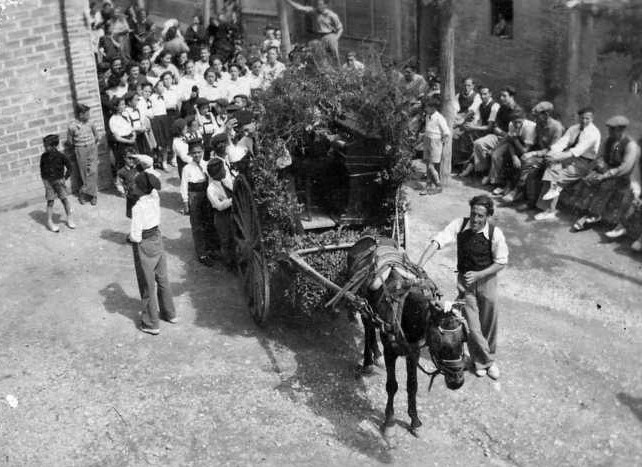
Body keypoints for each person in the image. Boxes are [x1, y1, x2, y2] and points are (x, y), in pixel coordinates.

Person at [418, 195, 508, 379]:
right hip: (466, 284)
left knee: (489, 323)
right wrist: (419, 265)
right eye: (473, 214)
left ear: (488, 216)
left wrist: (479, 274)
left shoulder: (494, 233)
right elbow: (438, 241)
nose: (475, 219)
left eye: (480, 216)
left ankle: (482, 360)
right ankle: (487, 362)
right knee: (473, 328)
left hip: (487, 281)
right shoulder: (459, 225)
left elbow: (501, 262)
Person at [569, 116, 640, 233]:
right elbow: (600, 156)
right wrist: (599, 165)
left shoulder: (630, 145)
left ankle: (594, 216)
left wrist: (605, 175)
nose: (609, 131)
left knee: (605, 185)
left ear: (621, 130)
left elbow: (625, 167)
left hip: (621, 177)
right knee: (588, 179)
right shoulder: (609, 140)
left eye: (613, 129)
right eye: (610, 129)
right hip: (607, 171)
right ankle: (584, 209)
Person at [129, 171, 177, 335]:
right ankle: (169, 313)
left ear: (142, 189)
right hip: (157, 237)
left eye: (136, 184)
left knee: (147, 284)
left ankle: (151, 323)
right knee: (162, 278)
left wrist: (129, 237)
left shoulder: (138, 207)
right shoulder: (155, 197)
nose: (133, 186)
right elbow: (151, 175)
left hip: (144, 244)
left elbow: (136, 236)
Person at [534, 106, 602, 221]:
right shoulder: (574, 128)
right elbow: (562, 143)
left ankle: (550, 210)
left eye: (587, 119)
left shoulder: (593, 133)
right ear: (578, 117)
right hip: (569, 156)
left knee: (556, 176)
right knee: (551, 168)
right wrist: (551, 153)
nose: (584, 121)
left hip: (584, 162)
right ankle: (546, 208)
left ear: (592, 118)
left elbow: (576, 151)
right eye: (582, 118)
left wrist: (556, 158)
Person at [502, 101, 564, 205]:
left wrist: (533, 153)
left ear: (546, 114)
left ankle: (520, 193)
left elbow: (553, 149)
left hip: (552, 157)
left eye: (537, 116)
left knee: (529, 165)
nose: (535, 119)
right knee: (525, 161)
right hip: (539, 155)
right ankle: (519, 192)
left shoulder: (557, 128)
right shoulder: (539, 124)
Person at [471, 86, 522, 185]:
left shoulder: (518, 111)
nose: (501, 98)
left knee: (496, 154)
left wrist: (502, 133)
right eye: (501, 96)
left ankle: (495, 180)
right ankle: (483, 170)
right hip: (497, 135)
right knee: (478, 143)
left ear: (512, 97)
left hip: (509, 140)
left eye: (504, 96)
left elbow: (515, 134)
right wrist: (499, 131)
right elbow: (495, 125)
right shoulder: (502, 108)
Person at [181, 141, 215, 266]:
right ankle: (201, 253)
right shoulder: (187, 169)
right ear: (190, 154)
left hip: (207, 194)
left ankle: (210, 248)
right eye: (194, 153)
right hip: (194, 195)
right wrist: (185, 202)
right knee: (197, 225)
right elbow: (184, 186)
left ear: (203, 152)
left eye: (199, 152)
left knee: (208, 221)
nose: (196, 155)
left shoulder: (206, 165)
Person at [488, 108, 537, 196]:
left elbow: (525, 150)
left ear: (523, 119)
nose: (517, 125)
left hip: (531, 148)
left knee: (521, 161)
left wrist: (515, 140)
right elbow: (510, 142)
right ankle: (502, 184)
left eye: (519, 122)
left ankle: (514, 189)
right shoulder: (511, 124)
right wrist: (514, 156)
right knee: (504, 156)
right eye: (515, 122)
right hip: (517, 144)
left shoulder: (530, 128)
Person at [283, 0, 343, 65]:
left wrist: (336, 38)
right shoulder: (313, 11)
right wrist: (287, 1)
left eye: (320, 4)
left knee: (334, 54)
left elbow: (340, 28)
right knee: (318, 55)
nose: (318, 6)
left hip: (329, 35)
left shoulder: (332, 15)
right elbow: (299, 7)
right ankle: (323, 71)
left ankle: (339, 71)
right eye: (317, 4)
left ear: (325, 5)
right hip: (317, 36)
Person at [458, 86, 501, 177]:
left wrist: (473, 128)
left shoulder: (494, 106)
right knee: (464, 133)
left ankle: (473, 167)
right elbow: (474, 115)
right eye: (481, 94)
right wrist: (465, 123)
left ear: (490, 94)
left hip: (493, 133)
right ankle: (462, 162)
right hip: (483, 130)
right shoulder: (481, 105)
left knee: (474, 137)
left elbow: (490, 127)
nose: (483, 96)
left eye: (485, 94)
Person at [65, 104, 100, 206]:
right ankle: (86, 195)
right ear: (80, 114)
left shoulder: (91, 123)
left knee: (93, 171)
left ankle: (91, 194)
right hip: (80, 150)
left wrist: (92, 144)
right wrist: (78, 147)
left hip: (92, 148)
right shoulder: (72, 126)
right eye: (87, 113)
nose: (89, 115)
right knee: (83, 173)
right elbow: (69, 141)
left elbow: (96, 135)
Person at [207, 146, 235, 268]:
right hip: (221, 217)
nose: (225, 171)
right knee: (225, 240)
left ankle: (235, 260)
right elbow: (218, 206)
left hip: (232, 213)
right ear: (216, 174)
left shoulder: (226, 180)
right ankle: (228, 263)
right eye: (223, 170)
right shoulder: (211, 189)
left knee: (234, 237)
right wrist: (232, 200)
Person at [40, 134, 75, 232]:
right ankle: (50, 221)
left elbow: (70, 167)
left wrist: (65, 177)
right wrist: (44, 180)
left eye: (47, 146)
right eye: (44, 145)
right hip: (48, 182)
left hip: (59, 181)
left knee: (64, 199)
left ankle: (69, 217)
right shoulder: (43, 156)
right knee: (50, 201)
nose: (45, 147)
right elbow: (42, 168)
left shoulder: (61, 156)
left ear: (54, 146)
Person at [419, 96, 451, 196]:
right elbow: (428, 128)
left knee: (431, 166)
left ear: (433, 107)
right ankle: (428, 185)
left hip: (435, 142)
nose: (425, 109)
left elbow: (446, 132)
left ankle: (438, 184)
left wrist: (442, 141)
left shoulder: (439, 118)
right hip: (427, 140)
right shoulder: (427, 116)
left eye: (427, 107)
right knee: (427, 164)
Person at [115, 148, 140, 218]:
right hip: (131, 196)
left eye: (133, 158)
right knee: (134, 216)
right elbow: (118, 183)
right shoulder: (121, 172)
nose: (131, 160)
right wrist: (123, 191)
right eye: (129, 158)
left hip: (142, 195)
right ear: (124, 158)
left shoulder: (139, 168)